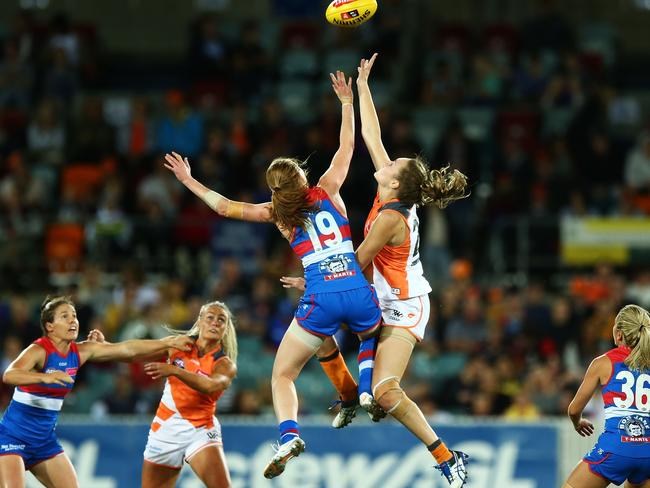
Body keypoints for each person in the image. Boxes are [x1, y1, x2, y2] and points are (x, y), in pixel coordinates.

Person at [163, 71, 383, 479]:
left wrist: (187, 179)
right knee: (367, 334)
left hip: (319, 297)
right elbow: (348, 146)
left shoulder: (278, 216)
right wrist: (346, 102)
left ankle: (288, 434)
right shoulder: (329, 189)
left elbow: (224, 207)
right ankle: (362, 390)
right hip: (356, 287)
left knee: (283, 374)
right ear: (303, 177)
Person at [282, 53, 470, 487]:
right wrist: (363, 87)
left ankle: (445, 456)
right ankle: (351, 394)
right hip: (382, 295)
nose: (384, 162)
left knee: (385, 391)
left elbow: (356, 263)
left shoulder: (390, 218)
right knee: (326, 325)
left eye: (392, 164)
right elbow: (372, 135)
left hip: (405, 305)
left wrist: (311, 279)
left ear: (396, 183)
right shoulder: (394, 192)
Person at [0, 295, 193, 488]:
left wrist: (168, 342)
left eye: (74, 315)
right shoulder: (39, 350)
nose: (72, 320)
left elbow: (127, 350)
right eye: (64, 316)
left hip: (44, 441)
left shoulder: (80, 351)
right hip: (13, 436)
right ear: (50, 326)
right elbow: (9, 374)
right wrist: (45, 377)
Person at [563, 304, 650, 488]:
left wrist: (577, 422)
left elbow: (574, 409)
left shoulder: (603, 363)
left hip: (616, 449)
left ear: (619, 334)